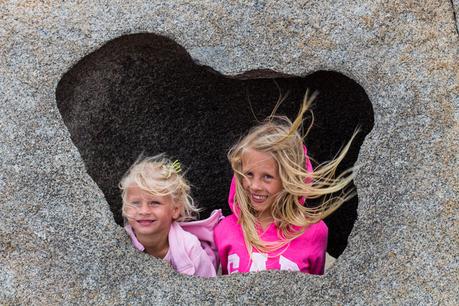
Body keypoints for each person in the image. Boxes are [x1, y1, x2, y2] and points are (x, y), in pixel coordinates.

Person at [214, 92, 357, 275]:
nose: (255, 185)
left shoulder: (314, 231)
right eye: (249, 174)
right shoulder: (224, 229)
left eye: (267, 177)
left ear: (288, 180)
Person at [120, 155, 222, 277]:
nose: (144, 211)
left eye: (154, 203)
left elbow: (209, 288)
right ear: (125, 207)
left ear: (175, 209)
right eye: (135, 203)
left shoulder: (189, 247)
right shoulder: (119, 242)